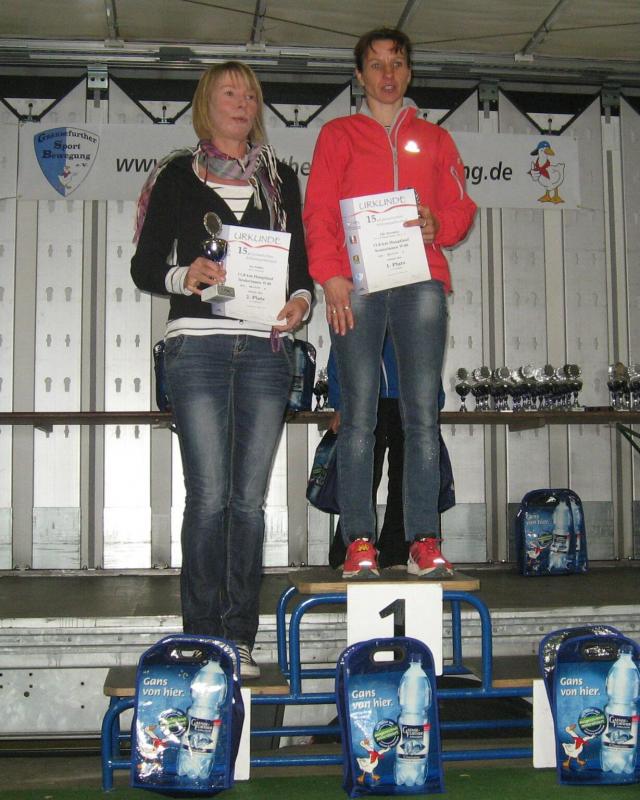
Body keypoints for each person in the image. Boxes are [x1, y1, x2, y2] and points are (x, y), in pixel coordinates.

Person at [131, 62, 313, 678]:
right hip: (197, 346)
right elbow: (144, 266)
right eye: (229, 92)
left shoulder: (280, 180)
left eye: (250, 94)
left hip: (265, 351)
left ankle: (239, 640)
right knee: (208, 498)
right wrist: (184, 276)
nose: (242, 102)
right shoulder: (176, 175)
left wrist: (301, 302)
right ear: (205, 103)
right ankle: (201, 637)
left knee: (248, 503)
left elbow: (301, 269)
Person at [303, 27, 476, 579]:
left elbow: (462, 209)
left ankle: (423, 541)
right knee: (357, 417)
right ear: (359, 75)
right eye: (375, 64)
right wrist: (330, 275)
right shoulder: (337, 135)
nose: (387, 74)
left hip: (420, 280)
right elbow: (318, 210)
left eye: (397, 63)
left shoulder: (435, 140)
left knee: (421, 415)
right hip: (356, 282)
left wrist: (438, 224)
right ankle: (359, 541)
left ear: (409, 71)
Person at [327, 337, 454, 571]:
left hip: (409, 399)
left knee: (406, 478)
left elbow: (426, 349)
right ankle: (347, 548)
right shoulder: (364, 312)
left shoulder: (410, 314)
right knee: (361, 477)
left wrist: (434, 400)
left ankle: (397, 553)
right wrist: (339, 403)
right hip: (364, 397)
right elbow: (341, 345)